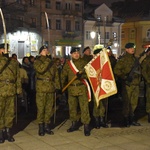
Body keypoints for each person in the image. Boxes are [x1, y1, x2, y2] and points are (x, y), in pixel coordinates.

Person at [61, 47, 91, 136]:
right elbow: (63, 76)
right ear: (71, 54)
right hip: (71, 89)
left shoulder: (84, 63)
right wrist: (60, 87)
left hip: (81, 87)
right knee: (72, 108)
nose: (76, 54)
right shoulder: (68, 64)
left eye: (77, 53)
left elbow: (89, 74)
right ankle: (74, 124)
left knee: (84, 108)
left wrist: (82, 76)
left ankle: (86, 126)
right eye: (74, 53)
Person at [34, 45, 60, 136]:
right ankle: (41, 126)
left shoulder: (51, 62)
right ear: (40, 52)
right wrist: (48, 60)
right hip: (41, 87)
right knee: (41, 108)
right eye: (44, 50)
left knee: (49, 108)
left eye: (46, 50)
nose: (46, 51)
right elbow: (41, 70)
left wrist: (58, 86)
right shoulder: (37, 61)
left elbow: (56, 75)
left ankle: (47, 125)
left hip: (50, 87)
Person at [114, 42, 141, 127]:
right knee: (127, 103)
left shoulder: (135, 59)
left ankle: (132, 119)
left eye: (133, 48)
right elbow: (116, 70)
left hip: (136, 84)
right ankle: (126, 119)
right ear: (126, 49)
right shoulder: (123, 60)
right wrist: (125, 77)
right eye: (130, 48)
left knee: (134, 103)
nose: (132, 49)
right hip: (127, 85)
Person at [0, 43, 22, 143]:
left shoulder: (13, 62)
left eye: (6, 49)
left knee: (10, 112)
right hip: (1, 89)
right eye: (3, 49)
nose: (5, 51)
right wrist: (2, 59)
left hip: (11, 89)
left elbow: (18, 76)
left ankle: (8, 131)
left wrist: (18, 89)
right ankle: (0, 132)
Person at [92, 44, 109, 129]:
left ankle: (102, 119)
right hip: (96, 85)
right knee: (96, 104)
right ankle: (96, 120)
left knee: (103, 103)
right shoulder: (92, 63)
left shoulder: (105, 62)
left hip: (104, 85)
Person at [141, 47, 150, 122]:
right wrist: (148, 80)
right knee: (149, 99)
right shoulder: (146, 61)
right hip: (149, 83)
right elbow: (144, 71)